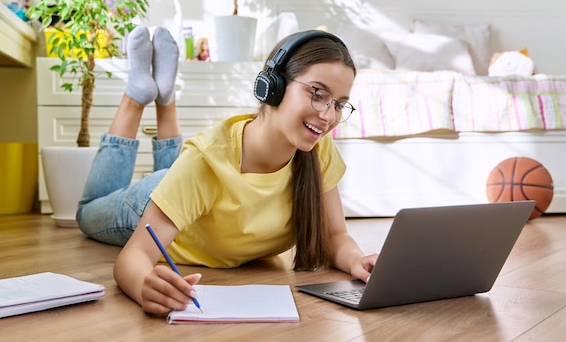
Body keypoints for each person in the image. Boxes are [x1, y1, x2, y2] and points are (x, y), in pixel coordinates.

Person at [76, 26, 378, 315]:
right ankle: (135, 96)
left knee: (181, 172)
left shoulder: (316, 149)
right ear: (272, 86)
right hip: (149, 201)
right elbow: (133, 257)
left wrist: (357, 261)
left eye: (339, 104)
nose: (328, 116)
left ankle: (166, 98)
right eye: (318, 93)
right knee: (88, 213)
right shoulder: (206, 161)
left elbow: (335, 235)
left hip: (191, 194)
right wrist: (144, 284)